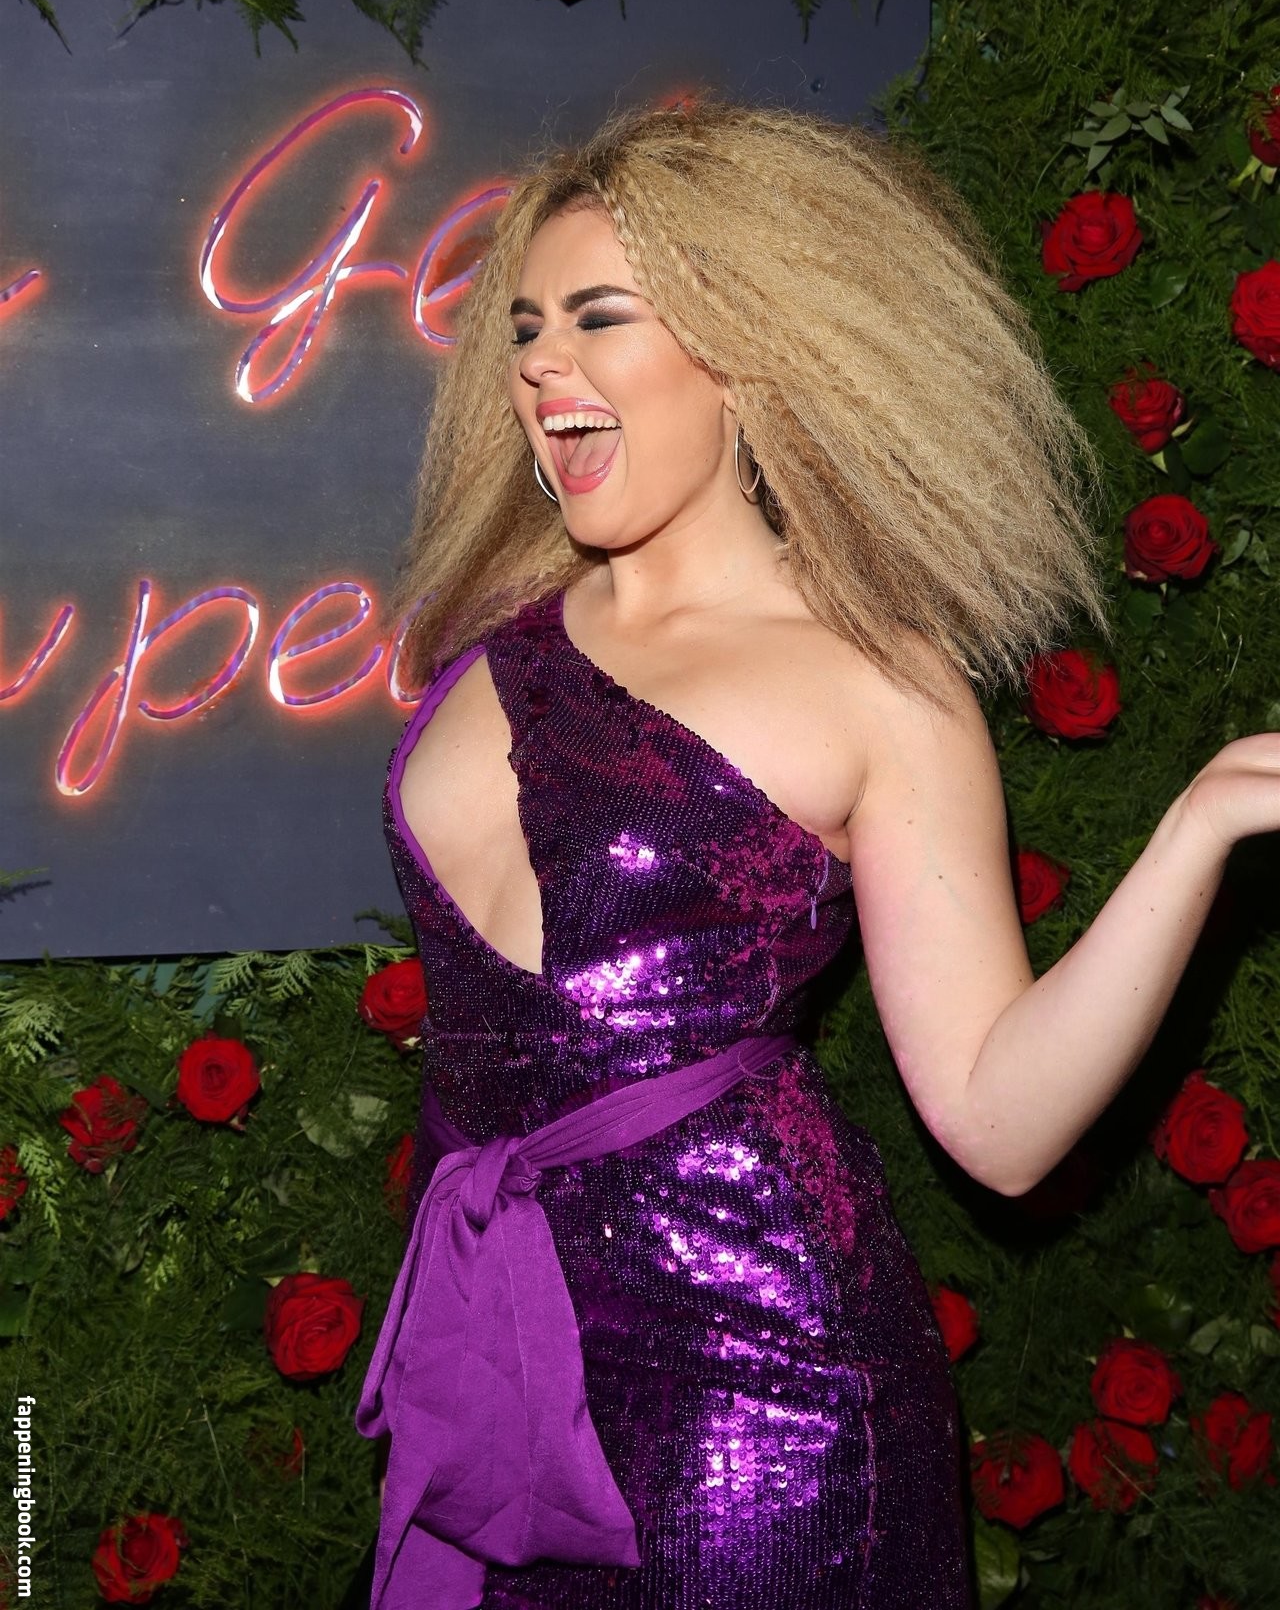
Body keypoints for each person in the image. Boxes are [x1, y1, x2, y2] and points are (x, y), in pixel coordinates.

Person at [352, 96, 1266, 1609]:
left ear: (746, 352)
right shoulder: (497, 635)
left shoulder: (875, 681)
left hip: (760, 1397)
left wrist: (1202, 824)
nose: (541, 363)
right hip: (493, 1358)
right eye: (526, 328)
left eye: (598, 317)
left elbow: (999, 1122)